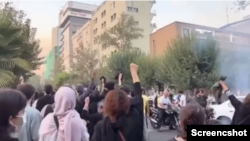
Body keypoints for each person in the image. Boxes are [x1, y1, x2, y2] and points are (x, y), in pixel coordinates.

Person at [91, 63, 144, 141]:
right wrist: (133, 72)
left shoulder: (101, 127)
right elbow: (138, 98)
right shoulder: (133, 121)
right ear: (126, 103)